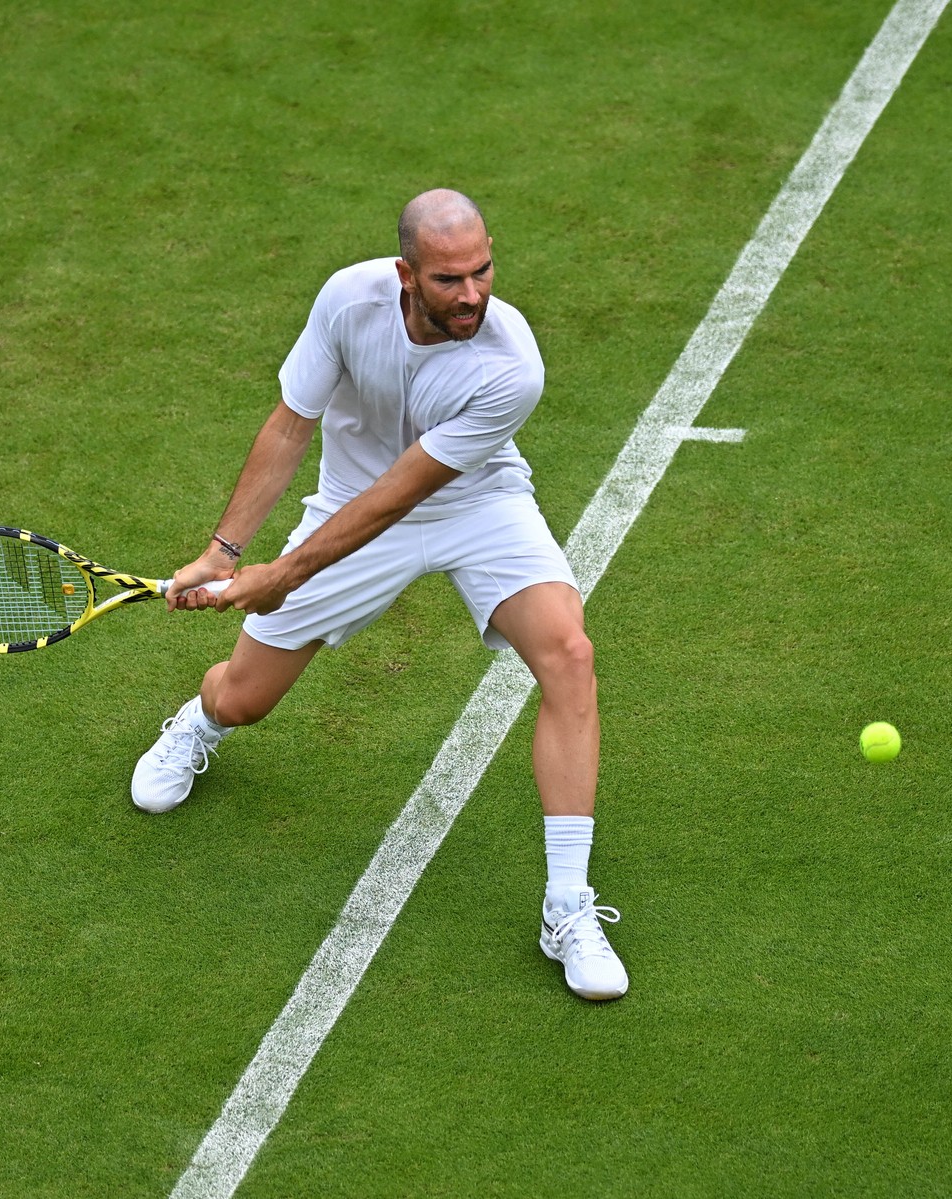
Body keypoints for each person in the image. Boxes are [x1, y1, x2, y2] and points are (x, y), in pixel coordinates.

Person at [131, 189, 627, 1002]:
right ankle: (198, 722)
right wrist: (223, 551)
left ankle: (567, 903)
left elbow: (402, 495)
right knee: (245, 697)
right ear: (406, 274)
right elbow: (293, 424)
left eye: (482, 271)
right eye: (447, 279)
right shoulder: (347, 299)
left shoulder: (511, 366)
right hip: (346, 507)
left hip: (477, 505)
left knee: (570, 654)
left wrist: (277, 576)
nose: (471, 295)